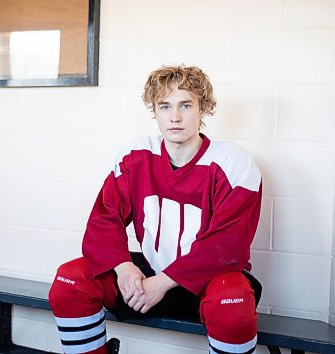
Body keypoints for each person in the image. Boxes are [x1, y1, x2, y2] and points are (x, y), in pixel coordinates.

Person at [49, 65, 263, 354]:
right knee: (70, 279)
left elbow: (227, 245)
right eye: (165, 106)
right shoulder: (136, 155)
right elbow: (104, 218)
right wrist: (124, 269)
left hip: (206, 282)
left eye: (185, 105)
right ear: (155, 110)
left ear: (203, 109)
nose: (175, 117)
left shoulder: (234, 162)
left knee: (232, 302)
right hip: (147, 275)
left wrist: (161, 284)